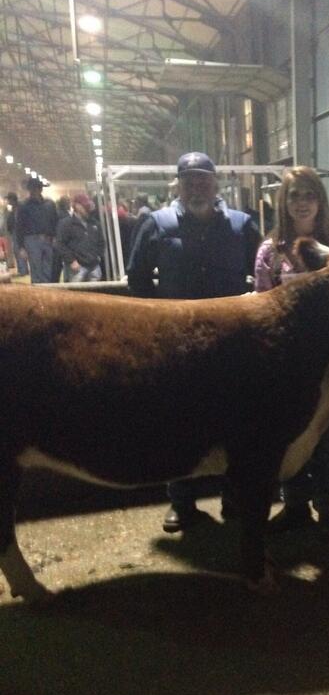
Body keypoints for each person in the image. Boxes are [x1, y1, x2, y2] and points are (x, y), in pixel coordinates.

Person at [127, 151, 262, 533]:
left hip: (231, 346)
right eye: (189, 180)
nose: (197, 186)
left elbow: (265, 270)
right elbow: (137, 277)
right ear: (178, 185)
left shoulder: (241, 226)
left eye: (204, 179)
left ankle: (233, 498)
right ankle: (182, 503)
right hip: (178, 348)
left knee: (233, 424)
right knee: (177, 424)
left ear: (216, 184)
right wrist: (158, 319)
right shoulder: (156, 224)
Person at [255, 165, 329, 535]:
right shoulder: (270, 252)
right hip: (285, 363)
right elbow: (264, 304)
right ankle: (295, 503)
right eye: (294, 195)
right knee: (290, 436)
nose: (301, 202)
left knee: (325, 434)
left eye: (309, 194)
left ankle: (327, 505)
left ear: (320, 200)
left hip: (327, 362)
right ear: (284, 201)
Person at [15, 177, 58, 283]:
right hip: (32, 240)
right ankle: (38, 294)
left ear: (40, 189)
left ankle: (47, 293)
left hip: (48, 239)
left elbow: (55, 222)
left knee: (48, 270)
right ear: (29, 190)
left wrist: (55, 237)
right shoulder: (24, 206)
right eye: (33, 188)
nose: (35, 190)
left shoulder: (50, 204)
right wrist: (21, 247)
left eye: (37, 188)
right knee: (36, 271)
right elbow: (19, 227)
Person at [55, 192, 104, 282]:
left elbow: (101, 242)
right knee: (76, 294)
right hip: (76, 267)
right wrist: (71, 261)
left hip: (94, 266)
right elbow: (60, 244)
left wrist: (98, 256)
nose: (88, 209)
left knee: (96, 294)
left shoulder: (95, 223)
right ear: (77, 206)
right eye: (85, 207)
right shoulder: (66, 224)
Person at [53, 195, 71, 281]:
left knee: (58, 265)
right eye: (68, 202)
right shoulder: (62, 214)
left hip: (59, 242)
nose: (70, 204)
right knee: (59, 264)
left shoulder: (60, 213)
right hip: (60, 242)